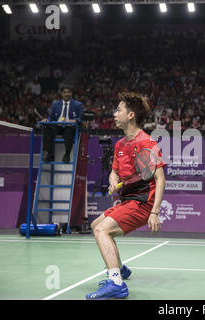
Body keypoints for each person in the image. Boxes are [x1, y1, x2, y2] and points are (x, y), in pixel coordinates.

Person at [86, 92, 165, 300]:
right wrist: (113, 178)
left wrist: (155, 212)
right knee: (96, 226)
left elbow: (160, 178)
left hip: (142, 203)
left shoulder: (148, 143)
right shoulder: (120, 145)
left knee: (103, 231)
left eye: (118, 110)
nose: (114, 114)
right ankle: (120, 269)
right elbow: (115, 171)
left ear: (130, 115)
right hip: (128, 201)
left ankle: (116, 283)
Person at [42, 85, 83, 163]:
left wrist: (75, 120)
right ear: (61, 94)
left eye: (68, 92)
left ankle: (67, 154)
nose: (66, 94)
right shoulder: (55, 104)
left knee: (68, 132)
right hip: (58, 126)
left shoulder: (78, 104)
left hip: (69, 126)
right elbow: (51, 117)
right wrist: (47, 120)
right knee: (47, 129)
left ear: (71, 94)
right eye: (64, 92)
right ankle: (47, 153)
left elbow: (81, 118)